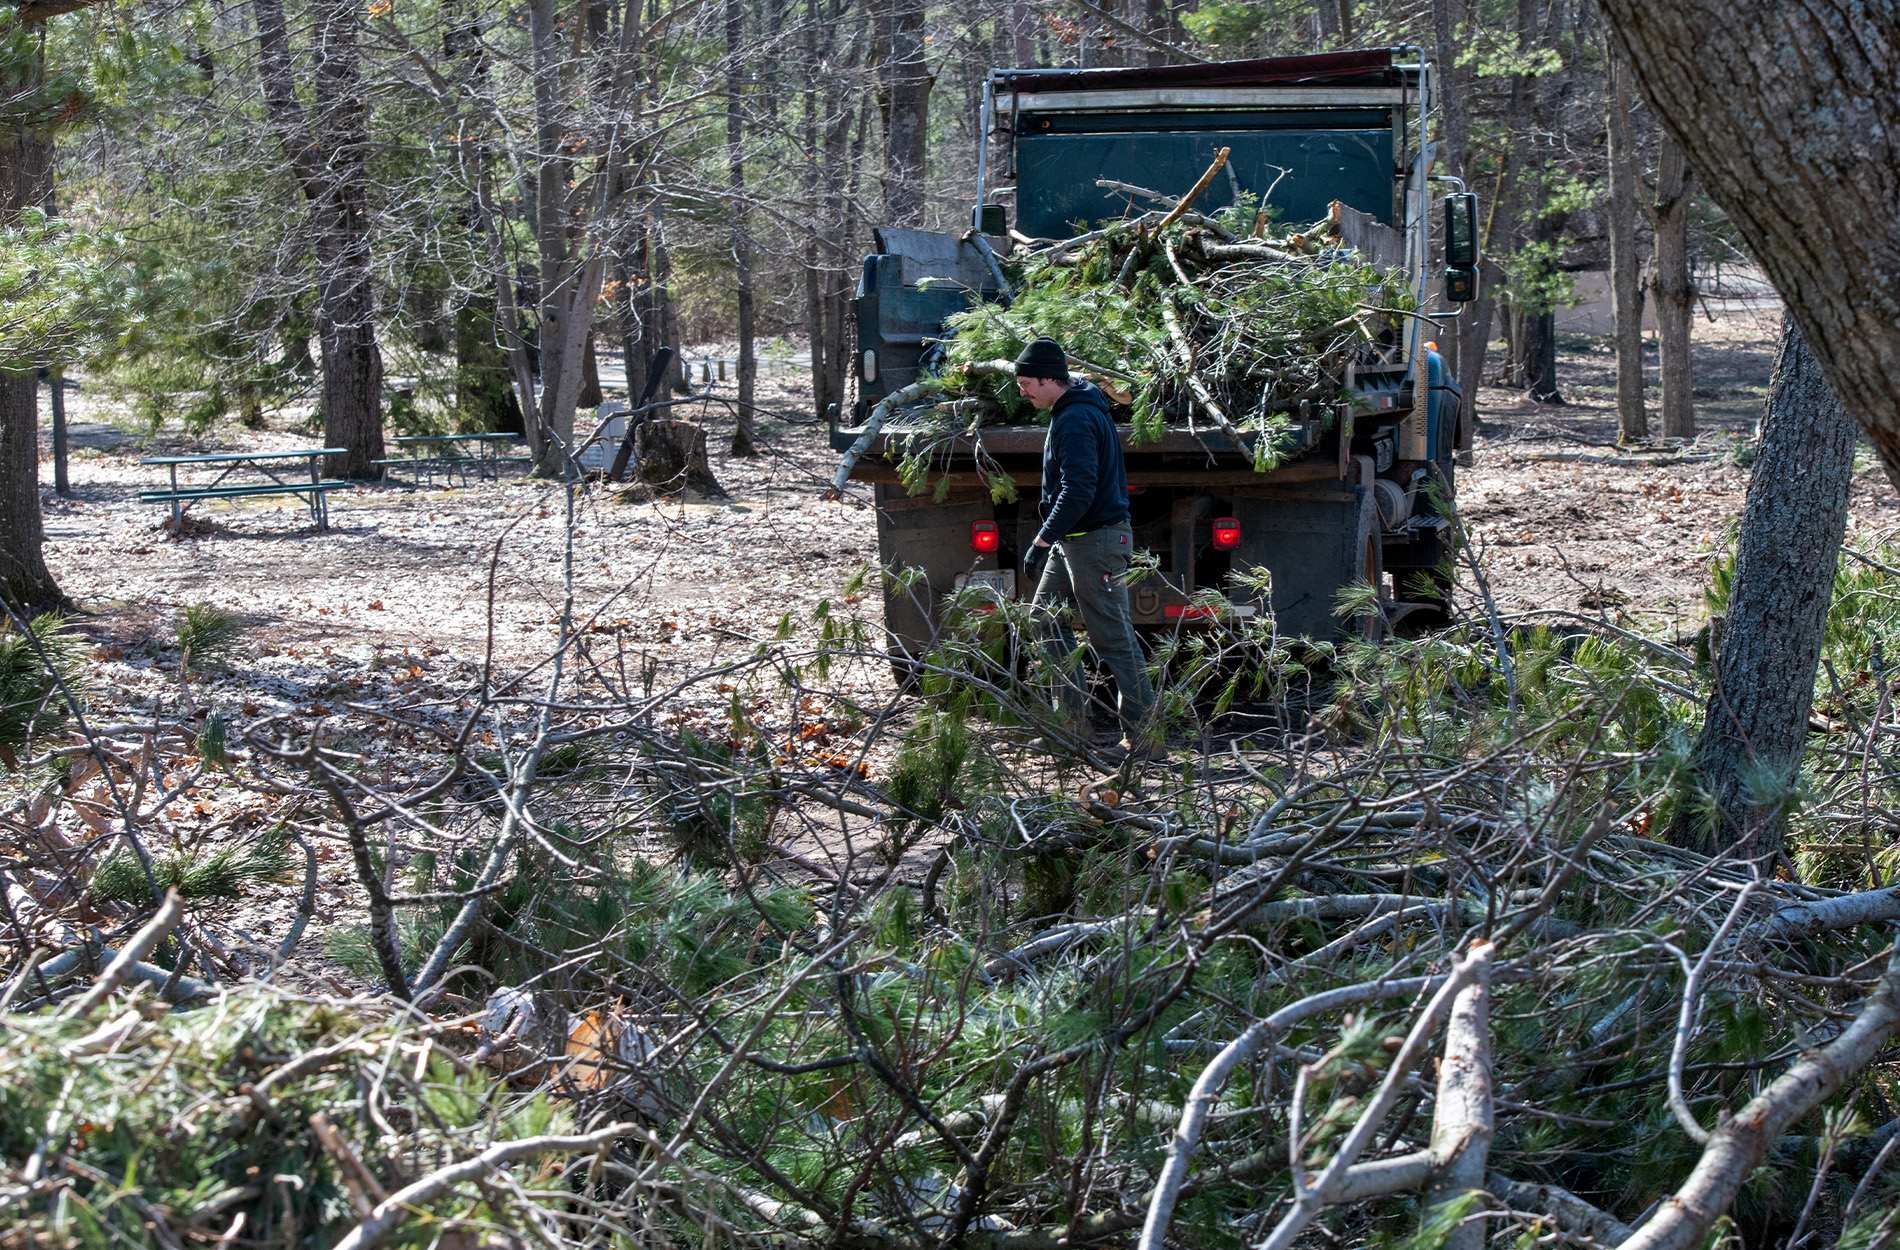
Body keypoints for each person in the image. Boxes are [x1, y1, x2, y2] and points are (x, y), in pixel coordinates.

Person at [1013, 335, 1161, 757]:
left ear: (1048, 379)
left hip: (1095, 541)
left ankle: (1146, 741)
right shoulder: (1073, 407)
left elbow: (1079, 491)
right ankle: (1073, 727)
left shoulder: (1075, 419)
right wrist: (1054, 539)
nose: (1021, 392)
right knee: (1043, 619)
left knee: (1113, 637)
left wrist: (1041, 540)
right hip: (1075, 539)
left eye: (1026, 384)